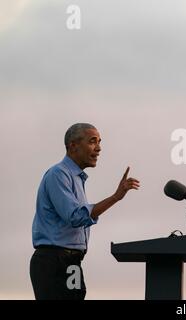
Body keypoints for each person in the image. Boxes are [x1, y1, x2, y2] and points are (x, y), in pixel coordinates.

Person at [30, 123, 140, 300]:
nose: (98, 148)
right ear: (73, 145)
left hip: (71, 262)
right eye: (92, 141)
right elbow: (76, 216)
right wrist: (115, 197)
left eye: (99, 142)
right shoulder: (58, 174)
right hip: (53, 261)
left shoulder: (76, 178)